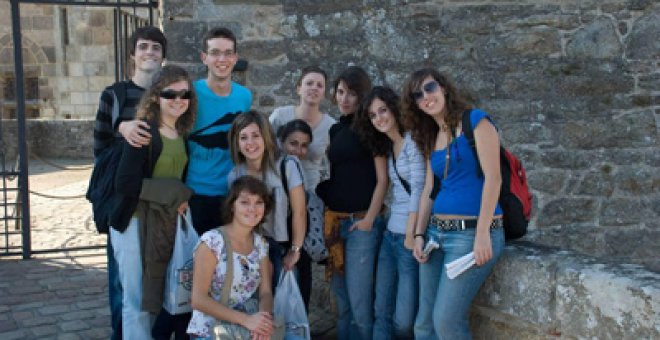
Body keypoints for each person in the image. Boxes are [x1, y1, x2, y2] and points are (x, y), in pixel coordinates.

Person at [402, 68, 505, 340]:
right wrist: (419, 234)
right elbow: (428, 190)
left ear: (444, 88)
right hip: (436, 234)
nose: (426, 97)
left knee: (446, 322)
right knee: (423, 325)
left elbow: (494, 179)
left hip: (471, 234)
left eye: (430, 88)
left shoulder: (475, 121)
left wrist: (483, 234)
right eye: (418, 95)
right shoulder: (430, 136)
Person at [110, 64, 197, 339]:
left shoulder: (182, 134)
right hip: (133, 223)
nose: (178, 100)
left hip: (161, 224)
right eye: (170, 94)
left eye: (185, 95)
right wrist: (174, 193)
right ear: (156, 96)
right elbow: (124, 184)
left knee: (155, 295)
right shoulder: (144, 130)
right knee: (136, 300)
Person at [92, 26, 167, 340]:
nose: (149, 52)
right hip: (124, 202)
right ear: (133, 54)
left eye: (155, 48)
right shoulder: (114, 94)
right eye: (143, 47)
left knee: (156, 281)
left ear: (163, 57)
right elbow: (100, 152)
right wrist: (122, 127)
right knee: (124, 282)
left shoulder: (170, 96)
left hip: (160, 200)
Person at [315, 66, 387, 340]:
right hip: (335, 223)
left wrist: (369, 219)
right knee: (343, 304)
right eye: (341, 92)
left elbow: (383, 180)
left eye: (352, 93)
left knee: (359, 304)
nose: (344, 99)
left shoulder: (371, 127)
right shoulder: (336, 130)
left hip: (361, 224)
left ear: (362, 96)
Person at [354, 86, 424, 339]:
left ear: (394, 109)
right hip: (389, 238)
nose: (379, 118)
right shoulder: (390, 146)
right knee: (381, 311)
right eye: (373, 115)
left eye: (383, 110)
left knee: (404, 321)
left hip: (407, 240)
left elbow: (419, 189)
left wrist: (411, 233)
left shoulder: (413, 142)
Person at [227, 111, 307, 296]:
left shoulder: (286, 166)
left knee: (283, 308)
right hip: (251, 249)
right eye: (243, 137)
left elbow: (299, 211)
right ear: (237, 144)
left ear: (266, 137)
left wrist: (295, 250)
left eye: (256, 135)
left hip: (282, 247)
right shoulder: (235, 176)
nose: (250, 143)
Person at [187, 176, 274, 340]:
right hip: (211, 332)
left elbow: (266, 293)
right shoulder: (212, 241)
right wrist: (247, 321)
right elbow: (198, 299)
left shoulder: (261, 244)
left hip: (246, 330)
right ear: (232, 206)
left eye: (259, 202)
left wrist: (263, 322)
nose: (252, 209)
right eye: (245, 202)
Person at [186, 26, 252, 236]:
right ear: (204, 58)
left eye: (227, 53)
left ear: (235, 58)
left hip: (232, 193)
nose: (221, 59)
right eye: (215, 52)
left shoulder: (244, 96)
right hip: (196, 193)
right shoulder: (190, 93)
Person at [269, 66, 335, 190]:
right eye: (309, 83)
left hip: (310, 191)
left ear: (323, 94)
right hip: (278, 187)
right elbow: (264, 148)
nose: (314, 87)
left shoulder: (331, 126)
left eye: (319, 85)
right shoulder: (279, 117)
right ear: (299, 88)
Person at [275, 119, 316, 308]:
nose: (298, 151)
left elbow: (300, 212)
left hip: (295, 244)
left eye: (304, 146)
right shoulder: (287, 164)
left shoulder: (292, 164)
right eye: (293, 143)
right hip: (289, 244)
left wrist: (296, 249)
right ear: (281, 141)